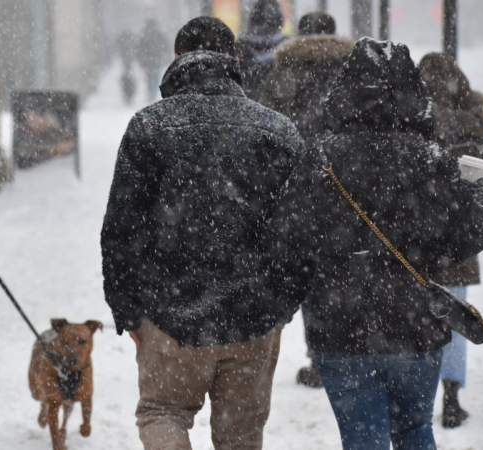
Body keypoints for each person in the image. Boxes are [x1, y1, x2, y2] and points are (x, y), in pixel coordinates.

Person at [268, 39, 483, 450]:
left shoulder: (321, 159)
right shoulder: (430, 159)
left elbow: (288, 237)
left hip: (340, 327)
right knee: (414, 430)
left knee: (362, 439)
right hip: (415, 325)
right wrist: (478, 191)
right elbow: (468, 237)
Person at [101, 17, 302, 450]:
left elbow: (120, 229)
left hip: (169, 316)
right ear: (234, 60)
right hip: (253, 316)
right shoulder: (278, 131)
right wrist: (281, 306)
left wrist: (128, 311)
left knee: (163, 414)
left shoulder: (148, 127)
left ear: (177, 59)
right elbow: (301, 233)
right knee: (241, 436)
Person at [259, 12, 354, 388]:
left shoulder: (283, 73)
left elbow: (268, 131)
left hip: (298, 192)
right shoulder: (353, 71)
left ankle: (320, 357)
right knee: (344, 272)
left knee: (309, 275)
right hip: (347, 189)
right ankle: (348, 349)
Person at [419, 52, 483, 429]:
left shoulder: (412, 119)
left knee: (419, 316)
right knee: (457, 319)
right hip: (459, 247)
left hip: (418, 243)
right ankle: (452, 397)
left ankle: (420, 393)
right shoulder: (470, 127)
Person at [237, 0, 288, 100]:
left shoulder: (241, 44)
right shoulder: (286, 45)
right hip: (277, 102)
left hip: (248, 102)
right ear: (279, 19)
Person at [136, 20, 170, 101]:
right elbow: (165, 47)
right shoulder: (159, 35)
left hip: (148, 61)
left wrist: (141, 59)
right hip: (156, 60)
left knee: (149, 78)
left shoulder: (144, 35)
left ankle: (150, 93)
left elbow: (139, 49)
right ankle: (152, 94)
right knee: (155, 78)